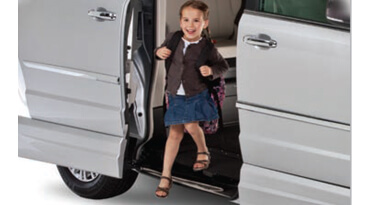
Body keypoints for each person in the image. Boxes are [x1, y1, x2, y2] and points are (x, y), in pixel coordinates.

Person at [154, 0, 229, 198]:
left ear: (205, 23)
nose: (191, 25)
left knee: (192, 126)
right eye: (186, 20)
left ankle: (203, 150)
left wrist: (211, 70)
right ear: (180, 22)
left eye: (196, 20)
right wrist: (158, 53)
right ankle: (166, 175)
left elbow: (223, 66)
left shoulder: (207, 48)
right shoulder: (173, 39)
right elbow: (160, 52)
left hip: (196, 94)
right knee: (175, 134)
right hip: (175, 95)